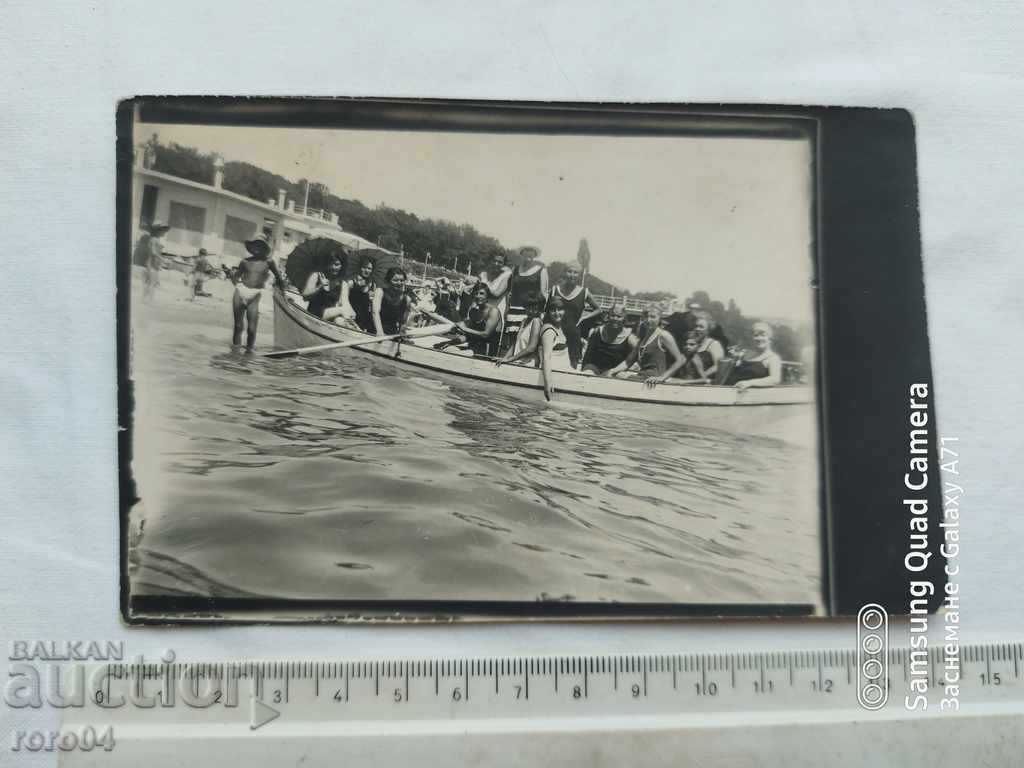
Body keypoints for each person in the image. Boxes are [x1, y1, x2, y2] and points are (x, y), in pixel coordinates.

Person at [607, 304, 685, 388]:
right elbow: (628, 362)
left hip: (654, 380)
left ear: (659, 318)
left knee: (620, 376)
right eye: (646, 317)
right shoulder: (643, 337)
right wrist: (613, 370)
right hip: (643, 377)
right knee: (616, 374)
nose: (648, 320)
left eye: (653, 317)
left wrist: (662, 378)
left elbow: (680, 360)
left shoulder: (663, 335)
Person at [232, 233, 284, 351]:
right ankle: (235, 351)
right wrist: (238, 286)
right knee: (238, 326)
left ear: (264, 248)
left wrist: (283, 292)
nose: (257, 248)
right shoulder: (245, 261)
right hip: (240, 292)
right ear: (251, 247)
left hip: (255, 294)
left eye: (260, 246)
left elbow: (279, 277)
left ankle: (249, 351)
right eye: (255, 245)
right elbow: (236, 276)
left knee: (251, 328)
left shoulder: (269, 262)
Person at [549, 262, 601, 369]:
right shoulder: (555, 290)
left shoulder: (584, 292)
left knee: (572, 365)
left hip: (573, 334)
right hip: (556, 332)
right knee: (551, 361)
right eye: (569, 271)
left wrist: (583, 318)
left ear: (579, 275)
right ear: (564, 273)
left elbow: (598, 310)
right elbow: (547, 311)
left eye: (575, 272)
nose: (572, 275)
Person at [580, 303, 637, 375]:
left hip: (615, 370)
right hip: (595, 367)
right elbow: (588, 354)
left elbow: (631, 359)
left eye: (619, 316)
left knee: (621, 376)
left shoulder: (629, 337)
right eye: (613, 315)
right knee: (588, 372)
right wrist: (583, 370)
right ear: (608, 316)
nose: (615, 319)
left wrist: (613, 371)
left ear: (624, 318)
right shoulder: (597, 332)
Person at [725, 321, 784, 389]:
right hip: (731, 390)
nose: (759, 338)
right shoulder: (746, 354)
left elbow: (775, 379)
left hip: (752, 394)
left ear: (770, 338)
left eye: (763, 335)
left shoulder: (773, 358)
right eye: (756, 335)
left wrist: (749, 383)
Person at [536, 296, 573, 400]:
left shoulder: (559, 328)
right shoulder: (549, 331)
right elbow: (546, 358)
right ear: (548, 312)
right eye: (553, 310)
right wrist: (547, 384)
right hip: (556, 376)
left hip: (564, 373)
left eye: (560, 309)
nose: (557, 313)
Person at [496, 291, 545, 367]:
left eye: (535, 309)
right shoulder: (524, 321)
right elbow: (514, 344)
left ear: (540, 309)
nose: (530, 311)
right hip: (517, 362)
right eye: (528, 307)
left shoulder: (536, 321)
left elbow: (531, 348)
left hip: (528, 365)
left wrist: (511, 359)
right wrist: (505, 358)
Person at [456, 282, 502, 357]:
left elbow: (485, 334)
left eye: (481, 293)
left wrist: (464, 328)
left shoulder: (493, 311)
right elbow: (470, 335)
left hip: (487, 351)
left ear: (487, 296)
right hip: (473, 347)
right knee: (446, 347)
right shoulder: (474, 311)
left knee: (456, 354)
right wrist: (452, 341)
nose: (478, 296)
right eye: (476, 293)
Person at [302, 252, 347, 321]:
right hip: (314, 313)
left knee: (340, 321)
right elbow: (305, 297)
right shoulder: (317, 275)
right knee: (342, 310)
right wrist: (320, 286)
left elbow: (340, 303)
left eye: (337, 264)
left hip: (329, 315)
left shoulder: (340, 282)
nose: (333, 267)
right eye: (331, 264)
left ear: (341, 265)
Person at [371, 267, 413, 336]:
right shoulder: (380, 292)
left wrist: (402, 334)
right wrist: (380, 331)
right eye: (395, 280)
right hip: (375, 331)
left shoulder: (407, 300)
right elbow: (375, 312)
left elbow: (403, 322)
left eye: (402, 280)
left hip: (392, 334)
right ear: (388, 281)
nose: (399, 283)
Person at [340, 256, 375, 332]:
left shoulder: (371, 284)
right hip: (352, 314)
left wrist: (371, 298)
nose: (367, 270)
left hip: (365, 316)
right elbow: (344, 300)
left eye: (369, 268)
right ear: (359, 268)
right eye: (364, 267)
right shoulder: (352, 282)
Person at [508, 246, 549, 310]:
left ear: (535, 254)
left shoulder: (542, 271)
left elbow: (544, 294)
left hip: (533, 310)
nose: (529, 253)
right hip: (515, 308)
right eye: (526, 250)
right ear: (522, 253)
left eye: (531, 250)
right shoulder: (515, 269)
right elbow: (511, 291)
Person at [691, 312, 726, 382]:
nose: (697, 329)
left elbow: (718, 366)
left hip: (705, 383)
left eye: (701, 327)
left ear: (708, 330)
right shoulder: (692, 343)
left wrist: (701, 376)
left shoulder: (714, 344)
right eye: (696, 326)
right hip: (689, 381)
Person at [478, 252, 514, 318]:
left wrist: (483, 283)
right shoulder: (484, 274)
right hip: (481, 311)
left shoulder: (506, 276)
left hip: (496, 313)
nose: (496, 264)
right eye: (494, 261)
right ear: (490, 261)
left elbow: (496, 295)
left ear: (503, 264)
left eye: (500, 262)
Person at [141, 221, 170, 301]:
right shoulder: (154, 239)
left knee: (151, 283)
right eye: (163, 231)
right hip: (151, 263)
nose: (164, 233)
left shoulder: (157, 240)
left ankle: (145, 299)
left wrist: (160, 263)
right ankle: (147, 300)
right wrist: (163, 260)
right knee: (151, 283)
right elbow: (153, 252)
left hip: (155, 264)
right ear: (158, 231)